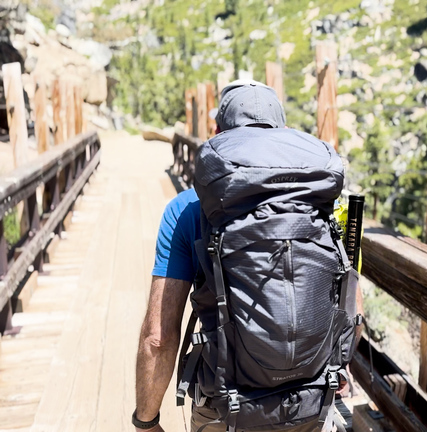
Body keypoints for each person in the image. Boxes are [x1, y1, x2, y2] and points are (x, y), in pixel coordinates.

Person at [134, 81, 361, 432]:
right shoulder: (318, 205)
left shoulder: (187, 210)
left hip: (227, 407)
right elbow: (350, 305)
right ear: (282, 134)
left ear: (218, 134)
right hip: (311, 401)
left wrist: (145, 421)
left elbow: (158, 338)